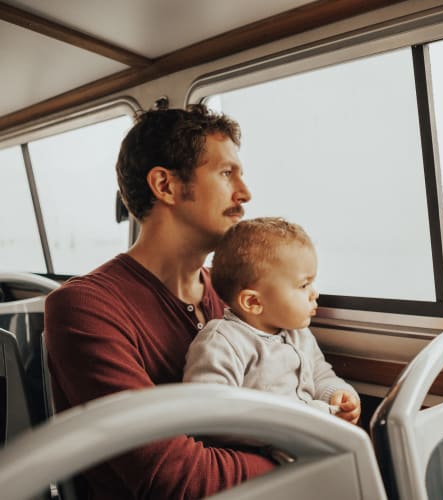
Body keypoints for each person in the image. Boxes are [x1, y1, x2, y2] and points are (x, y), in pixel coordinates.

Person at [44, 103, 277, 500]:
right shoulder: (83, 307)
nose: (245, 193)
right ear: (165, 185)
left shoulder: (236, 297)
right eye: (226, 173)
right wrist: (302, 458)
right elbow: (175, 479)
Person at [183, 217, 361, 424]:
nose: (314, 293)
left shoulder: (298, 335)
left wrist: (336, 394)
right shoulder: (222, 343)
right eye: (304, 285)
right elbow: (210, 412)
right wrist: (313, 412)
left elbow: (320, 375)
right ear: (253, 302)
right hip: (259, 446)